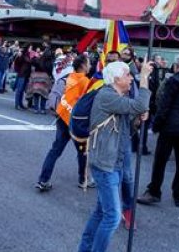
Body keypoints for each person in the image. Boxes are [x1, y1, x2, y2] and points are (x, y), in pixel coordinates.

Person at [78, 59, 152, 252]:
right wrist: (144, 76)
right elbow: (141, 103)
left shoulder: (118, 99)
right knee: (112, 217)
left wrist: (137, 120)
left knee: (101, 212)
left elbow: (126, 133)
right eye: (128, 75)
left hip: (115, 163)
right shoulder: (107, 96)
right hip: (105, 165)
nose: (131, 79)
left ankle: (85, 249)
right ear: (117, 78)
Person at [137, 53, 179, 207]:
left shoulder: (172, 81)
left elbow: (164, 106)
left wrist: (157, 125)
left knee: (160, 161)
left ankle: (154, 191)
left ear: (176, 66)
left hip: (169, 126)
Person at [36, 54, 92, 191]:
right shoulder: (85, 81)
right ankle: (83, 179)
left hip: (62, 116)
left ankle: (43, 180)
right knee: (82, 151)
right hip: (76, 121)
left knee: (55, 150)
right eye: (89, 63)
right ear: (83, 65)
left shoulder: (69, 77)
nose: (90, 65)